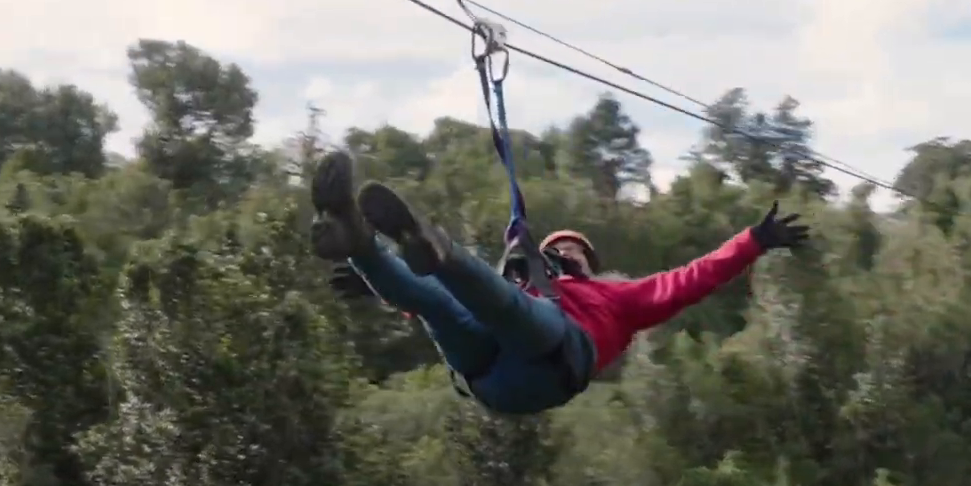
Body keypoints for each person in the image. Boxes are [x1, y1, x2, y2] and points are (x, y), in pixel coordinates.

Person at [309, 150, 810, 415]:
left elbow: (690, 279)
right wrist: (381, 285)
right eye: (558, 248)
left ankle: (433, 249)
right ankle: (359, 243)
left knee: (506, 307)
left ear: (590, 264)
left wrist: (754, 241)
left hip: (553, 361)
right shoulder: (521, 283)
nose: (567, 250)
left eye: (577, 249)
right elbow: (431, 306)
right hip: (489, 377)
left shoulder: (617, 297)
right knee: (439, 305)